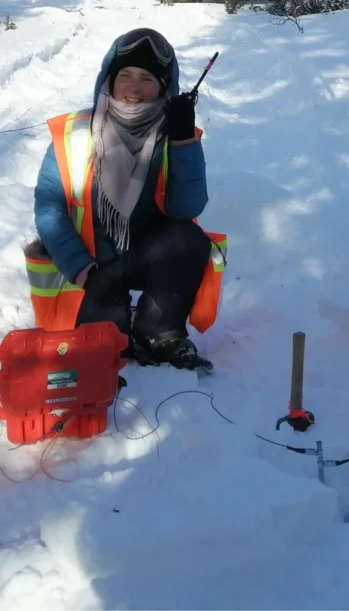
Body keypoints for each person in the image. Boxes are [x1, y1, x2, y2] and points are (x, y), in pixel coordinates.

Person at [30, 28, 222, 371]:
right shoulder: (74, 133)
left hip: (143, 255)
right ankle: (112, 311)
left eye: (147, 77)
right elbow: (49, 210)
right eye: (126, 76)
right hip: (88, 262)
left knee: (189, 239)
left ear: (164, 86)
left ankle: (160, 331)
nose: (134, 87)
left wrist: (183, 142)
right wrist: (82, 269)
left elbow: (187, 208)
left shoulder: (173, 131)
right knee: (106, 347)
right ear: (109, 79)